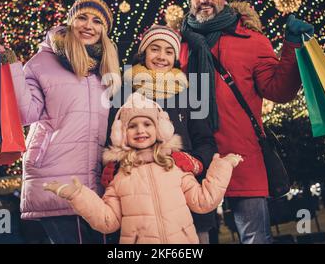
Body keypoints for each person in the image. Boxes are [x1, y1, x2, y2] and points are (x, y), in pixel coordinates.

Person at [179, 0, 314, 243]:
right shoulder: (179, 44)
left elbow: (278, 90)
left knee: (254, 239)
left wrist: (292, 46)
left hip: (242, 158)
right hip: (194, 161)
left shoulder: (251, 41)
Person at [0, 0, 121, 244]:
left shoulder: (105, 69)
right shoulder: (44, 62)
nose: (88, 25)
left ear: (104, 30)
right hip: (57, 177)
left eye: (97, 21)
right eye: (82, 17)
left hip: (97, 183)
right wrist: (11, 69)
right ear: (70, 21)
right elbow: (25, 114)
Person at [43, 93, 243, 244]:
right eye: (132, 126)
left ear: (159, 129)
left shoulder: (175, 168)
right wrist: (77, 196)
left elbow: (203, 202)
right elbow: (107, 221)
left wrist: (223, 167)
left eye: (147, 123)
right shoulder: (120, 177)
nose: (140, 130)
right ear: (121, 134)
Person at [101, 25, 219, 243]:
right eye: (155, 49)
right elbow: (113, 138)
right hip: (140, 200)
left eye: (168, 51)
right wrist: (112, 166)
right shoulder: (125, 91)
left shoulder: (187, 94)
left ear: (175, 57)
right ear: (143, 52)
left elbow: (205, 139)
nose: (161, 56)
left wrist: (195, 162)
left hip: (185, 194)